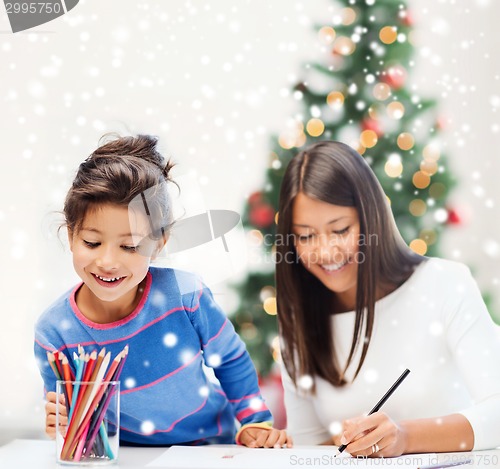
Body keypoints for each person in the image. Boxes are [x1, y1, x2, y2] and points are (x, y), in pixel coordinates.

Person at [34, 134, 292, 448]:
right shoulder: (53, 333)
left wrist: (255, 421)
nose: (108, 261)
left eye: (129, 246)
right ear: (71, 234)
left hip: (209, 447)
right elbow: (72, 426)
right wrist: (61, 425)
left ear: (160, 244)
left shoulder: (185, 295)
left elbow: (230, 359)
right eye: (92, 242)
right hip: (124, 458)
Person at [275, 140, 500, 457]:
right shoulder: (298, 323)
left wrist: (406, 437)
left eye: (340, 230)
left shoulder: (445, 283)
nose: (325, 252)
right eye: (306, 236)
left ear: (372, 219)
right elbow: (311, 447)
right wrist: (278, 444)